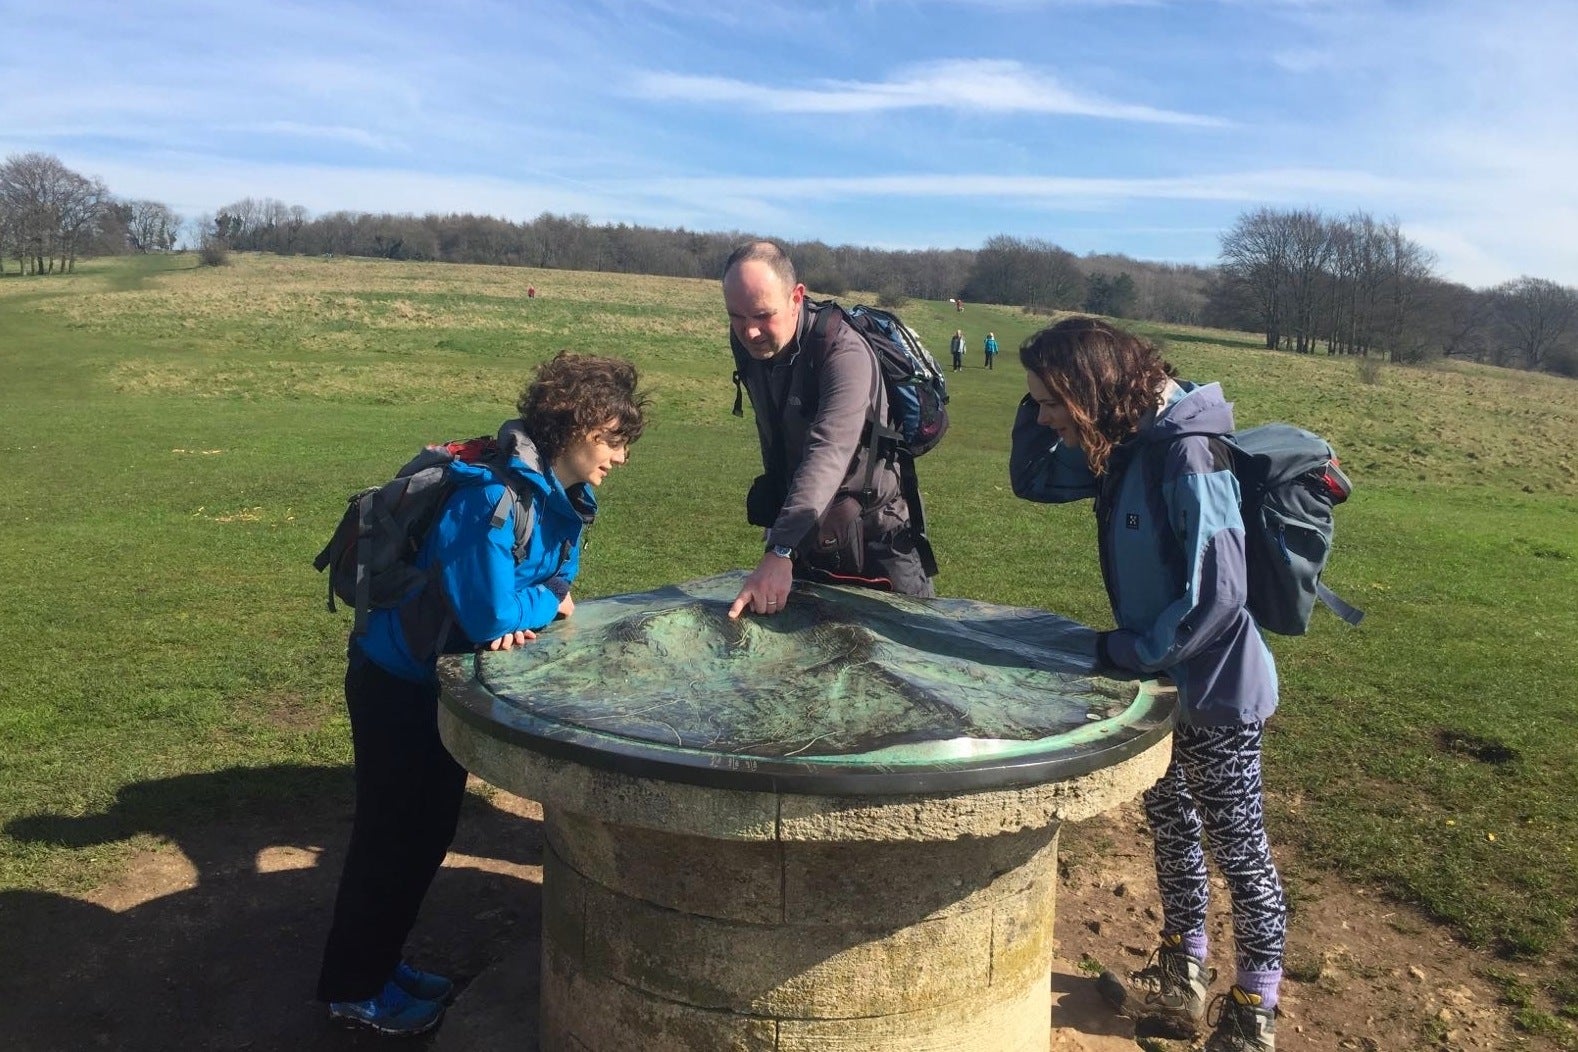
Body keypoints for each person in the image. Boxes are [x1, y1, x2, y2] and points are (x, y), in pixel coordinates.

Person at [316, 352, 648, 1036]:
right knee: (392, 839)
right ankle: (353, 986)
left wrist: (534, 601)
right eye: (613, 439)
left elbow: (555, 580)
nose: (620, 457)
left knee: (427, 834)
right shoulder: (488, 497)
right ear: (577, 425)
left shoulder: (562, 498)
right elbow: (495, 615)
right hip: (394, 684)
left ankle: (380, 964)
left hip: (439, 682)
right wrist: (537, 605)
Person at [1009, 317, 1283, 1052]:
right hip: (1156, 686)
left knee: (1240, 850)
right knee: (1172, 827)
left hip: (1218, 692)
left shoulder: (1189, 454)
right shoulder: (1120, 445)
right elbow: (1031, 478)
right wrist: (1036, 390)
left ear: (1089, 390)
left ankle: (1254, 1010)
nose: (1042, 418)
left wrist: (1131, 650)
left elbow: (1219, 595)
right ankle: (1185, 970)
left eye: (1049, 402)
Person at [722, 240, 936, 618]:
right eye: (736, 317)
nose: (749, 332)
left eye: (762, 315)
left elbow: (829, 451)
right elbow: (773, 433)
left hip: (878, 545)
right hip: (808, 541)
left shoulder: (844, 354)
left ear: (796, 297)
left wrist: (781, 549)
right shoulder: (752, 347)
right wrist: (782, 528)